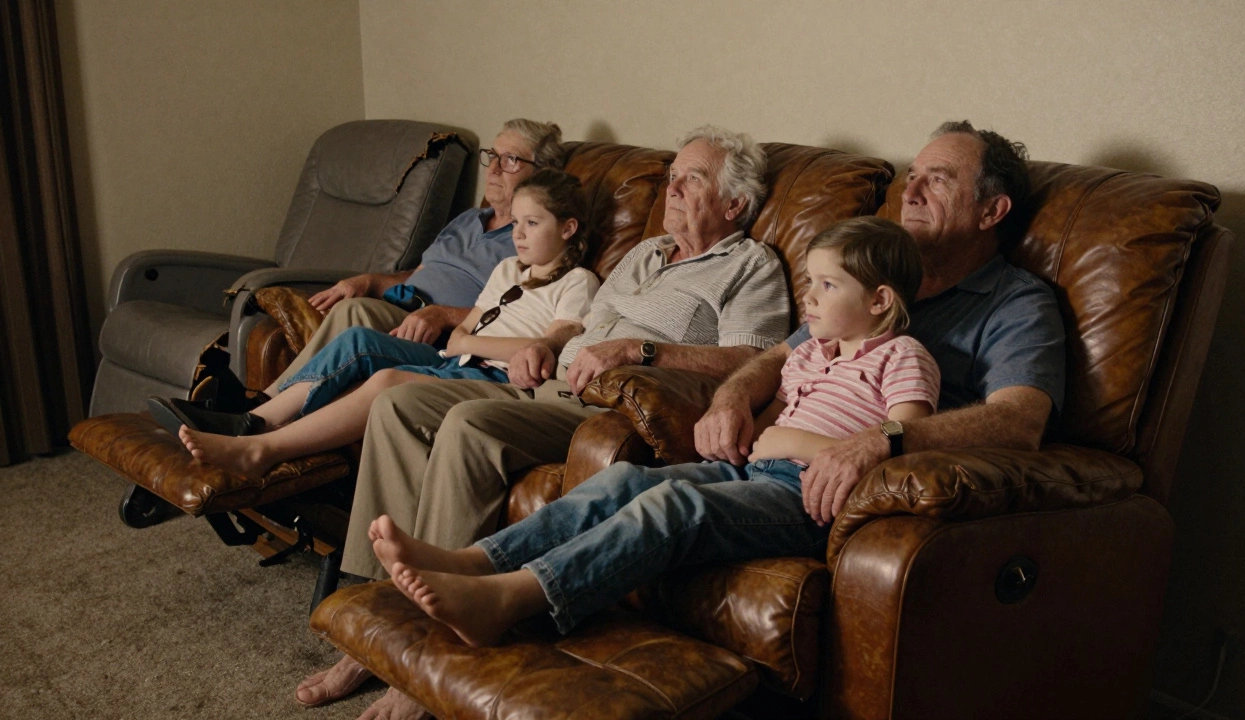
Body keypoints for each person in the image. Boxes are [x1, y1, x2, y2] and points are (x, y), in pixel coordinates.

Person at [294, 125, 791, 714]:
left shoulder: (750, 265)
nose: (673, 187)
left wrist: (641, 350)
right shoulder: (646, 252)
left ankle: (423, 654)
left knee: (470, 426)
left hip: (611, 404)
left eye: (693, 178)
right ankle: (376, 620)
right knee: (397, 405)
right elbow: (580, 324)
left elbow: (752, 358)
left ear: (734, 204)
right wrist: (547, 345)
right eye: (672, 175)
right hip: (548, 380)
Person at [366, 216, 940, 645]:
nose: (808, 297)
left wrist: (793, 444)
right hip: (750, 473)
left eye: (827, 286)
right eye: (809, 282)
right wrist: (745, 435)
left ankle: (511, 599)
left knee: (674, 506)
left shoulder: (902, 356)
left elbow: (903, 443)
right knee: (623, 482)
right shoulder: (811, 352)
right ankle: (476, 561)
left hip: (805, 499)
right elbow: (774, 419)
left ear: (880, 300)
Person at [696, 121, 1066, 528]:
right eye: (912, 177)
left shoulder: (1018, 303)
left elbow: (1020, 421)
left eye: (937, 181)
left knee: (677, 512)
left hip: (843, 488)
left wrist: (883, 438)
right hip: (764, 462)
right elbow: (783, 357)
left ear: (991, 211)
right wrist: (731, 397)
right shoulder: (872, 276)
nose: (909, 193)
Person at [166, 169, 599, 479]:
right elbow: (461, 334)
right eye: (516, 223)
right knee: (357, 339)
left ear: (568, 228)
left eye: (532, 223)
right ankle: (251, 420)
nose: (518, 234)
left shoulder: (578, 282)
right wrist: (469, 342)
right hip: (455, 355)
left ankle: (262, 449)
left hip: (491, 374)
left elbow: (546, 347)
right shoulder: (507, 269)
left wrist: (474, 344)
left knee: (387, 380)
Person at [195, 119, 565, 418]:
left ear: (543, 173)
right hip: (403, 304)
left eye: (510, 160)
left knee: (354, 313)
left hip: (435, 331)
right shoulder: (468, 219)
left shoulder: (529, 241)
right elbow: (416, 274)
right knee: (352, 301)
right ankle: (262, 406)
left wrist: (442, 315)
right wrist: (370, 281)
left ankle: (261, 406)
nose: (494, 168)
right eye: (492, 156)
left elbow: (516, 313)